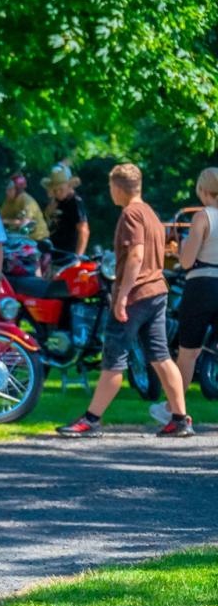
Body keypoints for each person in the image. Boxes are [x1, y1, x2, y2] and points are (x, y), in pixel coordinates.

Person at [58, 163, 192, 437]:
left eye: (111, 188)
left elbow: (136, 256)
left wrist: (121, 297)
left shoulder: (131, 214)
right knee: (161, 357)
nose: (111, 193)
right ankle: (180, 419)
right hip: (157, 291)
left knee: (114, 357)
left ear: (118, 188)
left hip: (136, 294)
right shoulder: (151, 214)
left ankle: (91, 420)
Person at [151, 167, 218, 425]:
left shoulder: (203, 217)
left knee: (188, 352)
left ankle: (173, 408)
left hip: (202, 286)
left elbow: (188, 261)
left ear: (202, 190)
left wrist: (180, 250)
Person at [42, 166, 89, 257]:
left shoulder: (75, 202)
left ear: (69, 186)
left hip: (69, 254)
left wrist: (78, 257)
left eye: (61, 189)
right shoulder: (55, 202)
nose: (58, 193)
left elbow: (84, 231)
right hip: (53, 251)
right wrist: (48, 212)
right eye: (55, 190)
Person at [0, 172, 50, 241]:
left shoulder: (27, 201)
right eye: (7, 189)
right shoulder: (8, 201)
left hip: (38, 240)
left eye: (10, 189)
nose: (6, 192)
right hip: (22, 239)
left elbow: (26, 224)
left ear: (18, 190)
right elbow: (0, 217)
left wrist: (6, 221)